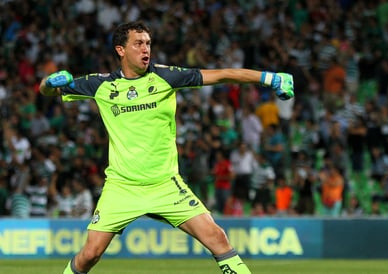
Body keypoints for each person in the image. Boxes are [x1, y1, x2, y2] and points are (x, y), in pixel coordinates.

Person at [39, 21, 294, 274]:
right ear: (121, 50)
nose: (145, 49)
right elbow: (46, 91)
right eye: (138, 44)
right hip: (122, 187)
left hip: (165, 185)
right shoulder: (100, 85)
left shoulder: (166, 76)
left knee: (218, 238)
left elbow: (222, 74)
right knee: (89, 255)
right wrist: (49, 83)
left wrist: (268, 78)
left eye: (148, 43)